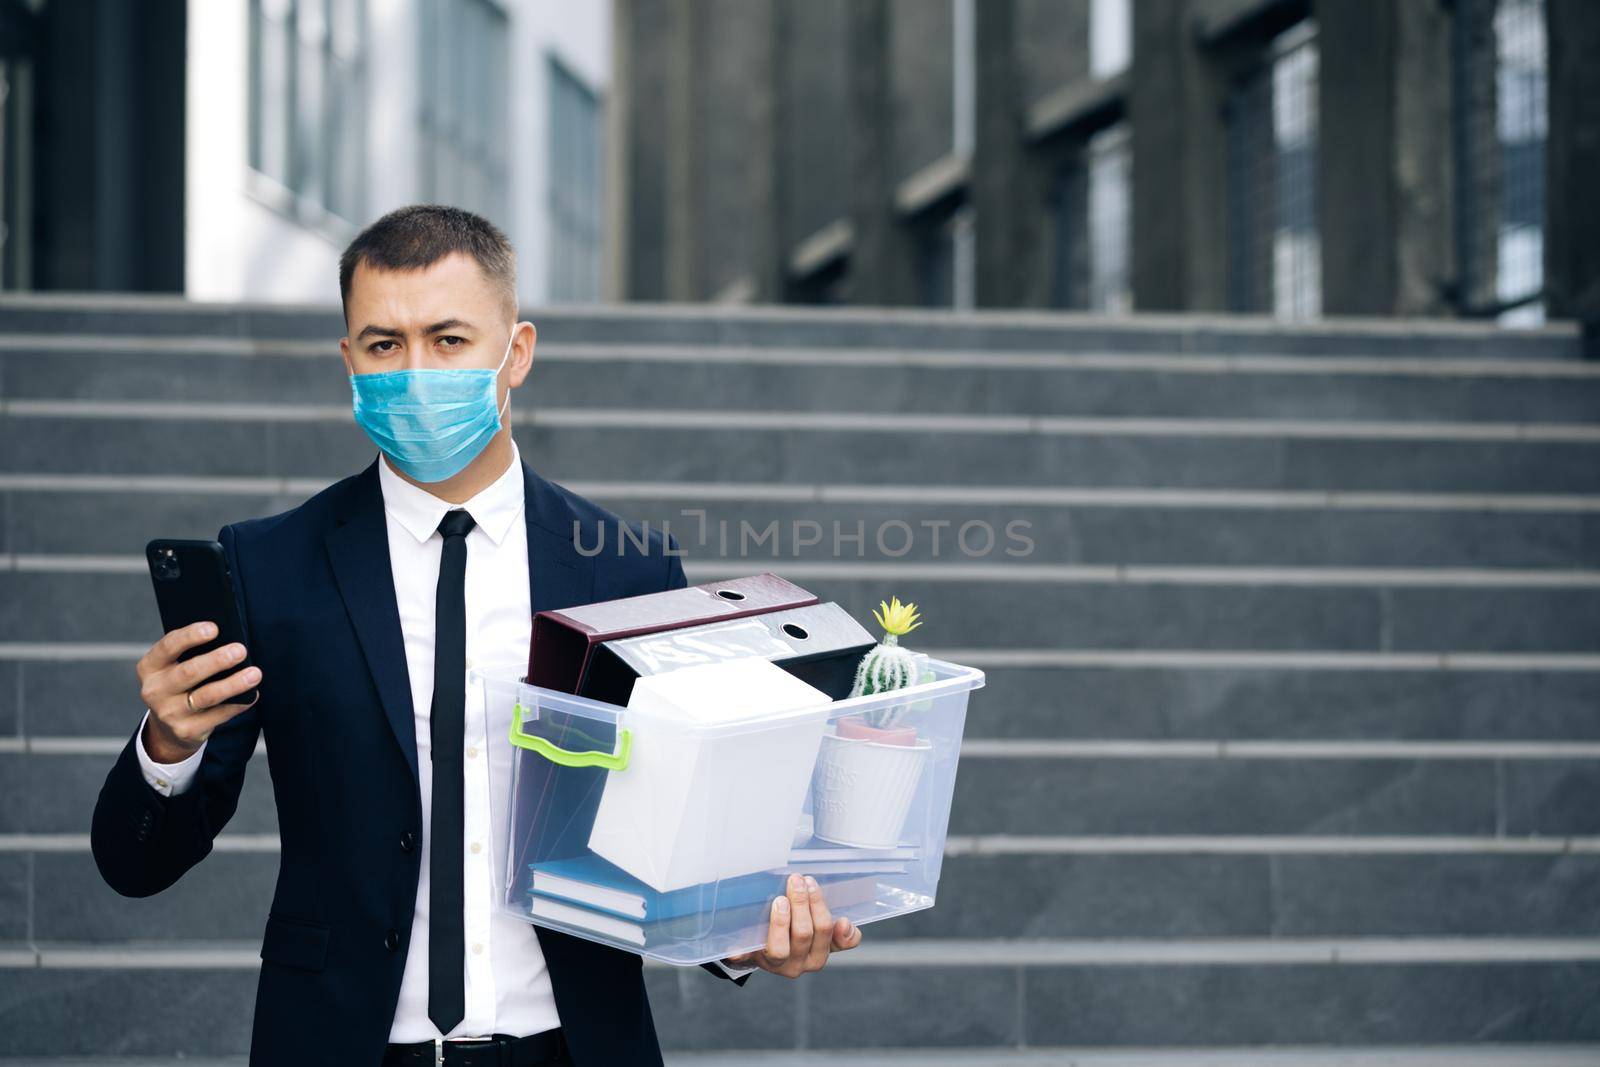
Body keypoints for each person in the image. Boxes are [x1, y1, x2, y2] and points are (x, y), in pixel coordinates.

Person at [90, 204, 862, 1066]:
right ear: (348, 361)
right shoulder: (271, 567)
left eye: (449, 339)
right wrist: (166, 744)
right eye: (384, 345)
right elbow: (136, 861)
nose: (415, 371)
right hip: (346, 1044)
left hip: (569, 1046)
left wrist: (744, 934)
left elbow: (676, 834)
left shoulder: (625, 570)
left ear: (516, 353)